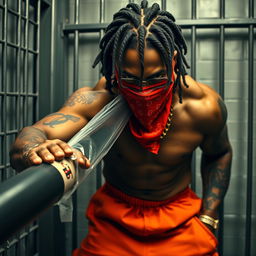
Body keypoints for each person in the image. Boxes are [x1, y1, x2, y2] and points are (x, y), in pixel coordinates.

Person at [10, 1, 232, 255]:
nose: (143, 91)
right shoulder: (101, 99)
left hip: (180, 219)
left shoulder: (202, 106)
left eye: (155, 78)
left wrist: (209, 217)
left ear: (172, 62)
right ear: (115, 66)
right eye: (130, 78)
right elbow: (31, 137)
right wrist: (34, 150)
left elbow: (220, 153)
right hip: (116, 220)